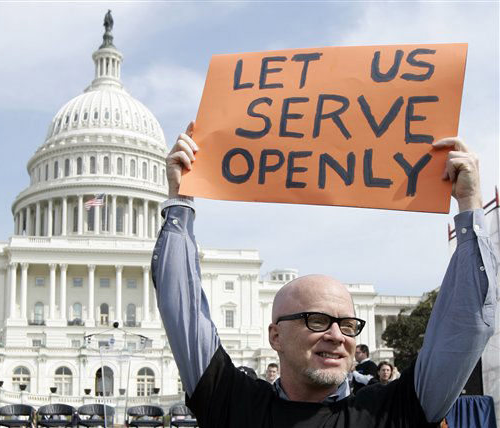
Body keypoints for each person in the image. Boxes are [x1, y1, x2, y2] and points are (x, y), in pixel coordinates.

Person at [151, 123, 497, 427]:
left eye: (348, 325)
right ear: (275, 336)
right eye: (316, 320)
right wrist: (179, 202)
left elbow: (466, 324)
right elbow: (181, 308)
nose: (336, 336)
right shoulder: (231, 401)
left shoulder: (395, 409)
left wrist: (469, 203)